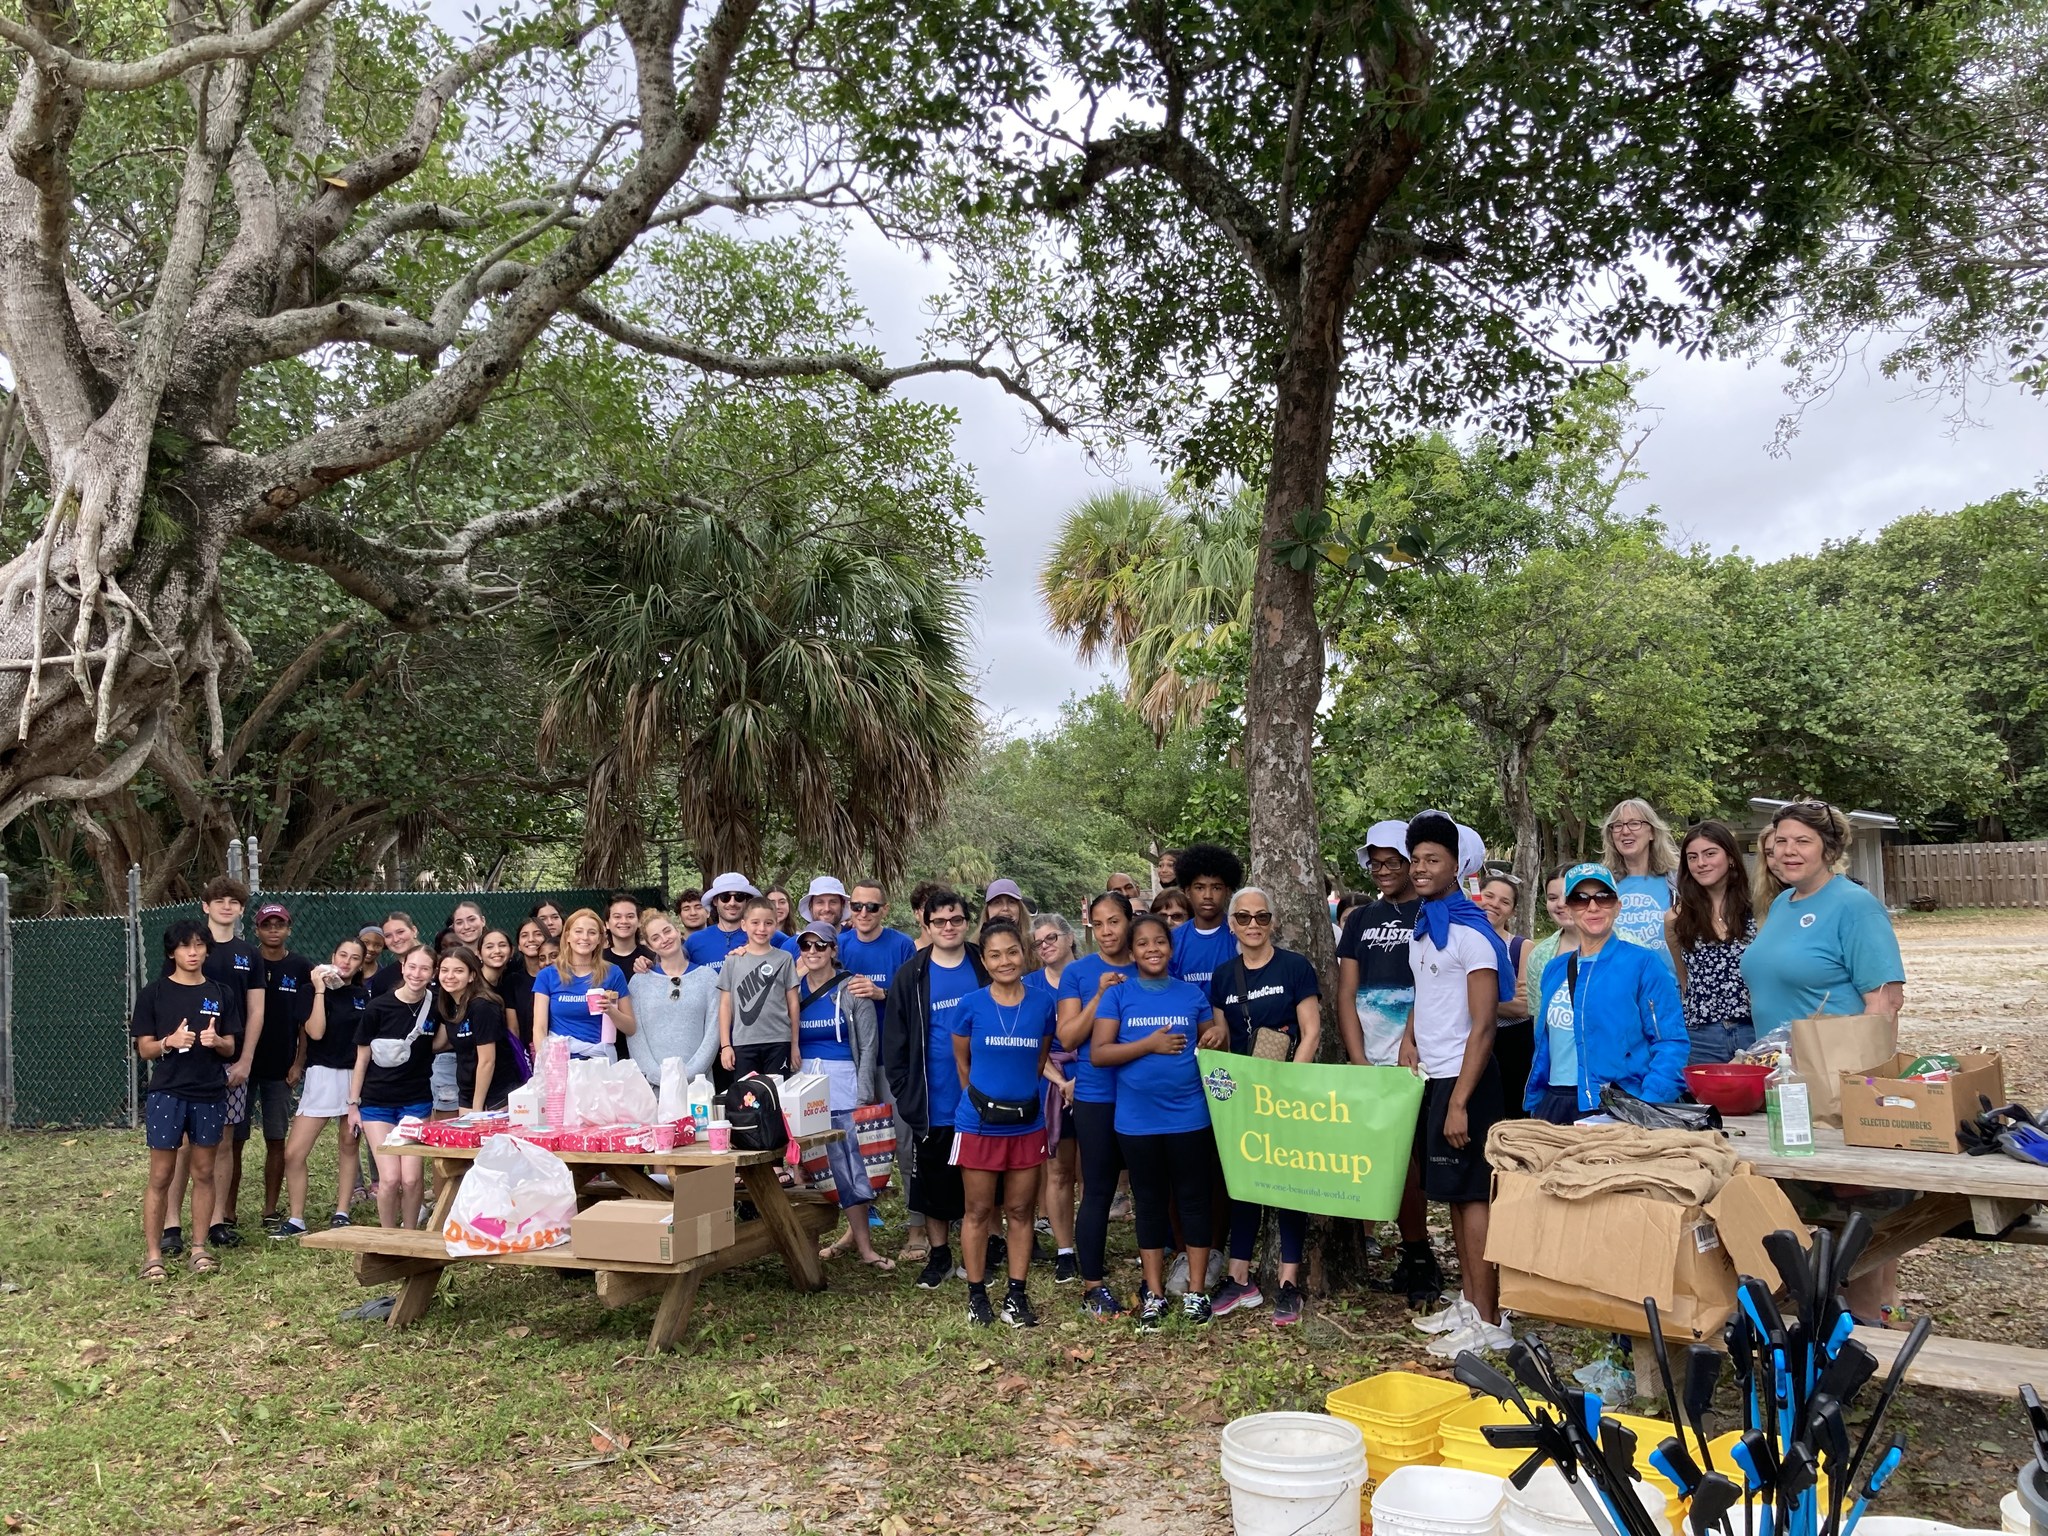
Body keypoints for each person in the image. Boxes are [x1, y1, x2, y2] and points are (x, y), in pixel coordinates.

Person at [1739, 799, 1908, 1325]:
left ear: (1830, 849)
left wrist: (1866, 1091)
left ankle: (1867, 1333)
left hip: (1835, 1082)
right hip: (1786, 1081)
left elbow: (1883, 1001)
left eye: (1802, 841)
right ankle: (1827, 1326)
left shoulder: (1854, 906)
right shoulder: (1785, 903)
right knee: (1810, 1212)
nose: (1787, 851)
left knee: (1854, 1215)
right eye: (1780, 841)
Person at [1400, 811, 1515, 1356]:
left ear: (1457, 867)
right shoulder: (1423, 928)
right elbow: (1425, 994)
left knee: (1475, 1200)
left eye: (1433, 861)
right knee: (1451, 1194)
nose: (1421, 869)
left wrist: (1461, 1102)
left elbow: (1485, 1023)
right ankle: (1470, 1304)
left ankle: (1492, 1321)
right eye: (1416, 860)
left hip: (1467, 1082)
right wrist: (1408, 1037)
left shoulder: (1472, 933)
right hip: (1435, 1075)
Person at [1081, 911, 1216, 1331]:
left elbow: (1211, 1040)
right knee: (1150, 1203)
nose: (1152, 949)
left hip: (1189, 1115)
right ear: (1132, 952)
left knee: (1193, 1200)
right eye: (1143, 944)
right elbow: (1100, 1053)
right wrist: (1149, 1045)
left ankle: (1196, 1291)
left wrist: (1215, 1034)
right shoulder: (1119, 994)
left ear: (1171, 949)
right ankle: (1154, 1293)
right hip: (1136, 1120)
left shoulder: (1192, 995)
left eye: (1160, 942)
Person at [1335, 823, 1444, 1306]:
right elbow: (1346, 991)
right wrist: (1357, 1057)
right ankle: (1403, 1248)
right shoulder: (1360, 919)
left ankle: (1422, 1256)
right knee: (1383, 1159)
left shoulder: (1431, 912)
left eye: (1391, 862)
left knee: (1416, 1161)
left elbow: (1434, 985)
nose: (1382, 871)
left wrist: (1411, 1039)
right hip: (1370, 1056)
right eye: (1374, 863)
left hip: (1418, 1055)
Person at [1206, 888, 1320, 1327]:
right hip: (1241, 1095)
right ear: (1231, 923)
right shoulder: (1223, 976)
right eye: (1244, 917)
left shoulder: (1294, 967)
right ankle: (1240, 1277)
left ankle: (1289, 1284)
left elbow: (1310, 1031)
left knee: (1288, 1180)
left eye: (1262, 916)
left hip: (1287, 1094)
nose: (1254, 924)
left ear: (1272, 921)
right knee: (1246, 1178)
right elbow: (1223, 1036)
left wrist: (1290, 1085)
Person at [882, 887, 991, 1291]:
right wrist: (905, 1092)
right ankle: (940, 1255)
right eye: (939, 921)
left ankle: (980, 1252)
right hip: (933, 1100)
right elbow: (895, 1039)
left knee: (981, 1182)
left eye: (956, 920)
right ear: (925, 925)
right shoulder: (912, 973)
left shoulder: (984, 963)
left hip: (984, 1096)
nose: (948, 927)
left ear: (966, 921)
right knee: (933, 1183)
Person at [949, 920, 1057, 1327]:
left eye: (1012, 951)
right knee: (977, 1210)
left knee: (1021, 1209)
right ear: (984, 958)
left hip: (1026, 1123)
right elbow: (963, 1063)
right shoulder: (971, 1005)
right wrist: (981, 1103)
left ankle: (1017, 1295)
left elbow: (1039, 1061)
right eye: (994, 954)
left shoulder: (1043, 1004)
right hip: (978, 1124)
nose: (1005, 961)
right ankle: (977, 1296)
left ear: (1023, 951)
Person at [1524, 864, 1689, 1122]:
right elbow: (1543, 1045)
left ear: (1617, 906)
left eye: (1604, 897)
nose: (1593, 907)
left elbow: (1670, 1042)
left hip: (1617, 1105)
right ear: (1568, 908)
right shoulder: (1554, 969)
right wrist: (1538, 1101)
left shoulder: (1643, 964)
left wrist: (1648, 1105)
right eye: (1580, 899)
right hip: (1556, 1104)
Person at [164, 877, 263, 1259]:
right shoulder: (186, 943)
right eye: (218, 900)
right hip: (187, 1063)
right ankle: (172, 1224)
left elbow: (256, 1011)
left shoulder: (248, 954)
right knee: (183, 1145)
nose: (226, 906)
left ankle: (216, 1221)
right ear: (205, 906)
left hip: (230, 1060)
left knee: (222, 1142)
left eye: (233, 901)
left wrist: (244, 1059)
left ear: (241, 909)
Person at [133, 921, 237, 1280]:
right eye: (185, 946)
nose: (192, 952)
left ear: (207, 950)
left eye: (198, 946)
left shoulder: (221, 992)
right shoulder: (154, 994)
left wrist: (217, 1042)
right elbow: (143, 1049)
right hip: (168, 1092)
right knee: (161, 1174)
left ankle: (198, 1248)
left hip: (209, 1091)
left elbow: (231, 1045)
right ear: (171, 952)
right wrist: (168, 1042)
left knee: (204, 1172)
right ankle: (152, 1255)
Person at [792, 920, 891, 1270]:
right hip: (804, 1082)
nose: (813, 952)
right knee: (808, 1163)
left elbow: (868, 1043)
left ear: (834, 950)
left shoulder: (852, 989)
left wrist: (865, 1093)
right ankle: (807, 1247)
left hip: (843, 1078)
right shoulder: (793, 988)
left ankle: (864, 1246)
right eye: (807, 946)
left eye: (821, 946)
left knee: (850, 1165)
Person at [1059, 890, 1136, 1317]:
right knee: (1098, 1188)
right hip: (1096, 1094)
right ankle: (1093, 1285)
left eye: (1115, 922)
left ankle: (1154, 1279)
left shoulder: (1149, 964)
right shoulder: (1079, 973)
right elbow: (1068, 1038)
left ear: (1129, 921)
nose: (1107, 931)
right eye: (1100, 923)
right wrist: (1100, 996)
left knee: (1150, 1187)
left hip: (1144, 1094)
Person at [277, 937, 369, 1239]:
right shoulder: (309, 991)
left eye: (355, 958)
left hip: (353, 1076)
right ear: (333, 955)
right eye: (343, 954)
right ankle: (297, 1218)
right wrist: (319, 989)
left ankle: (342, 1211)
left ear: (361, 964)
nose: (347, 962)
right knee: (294, 1152)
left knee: (348, 1144)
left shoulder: (362, 995)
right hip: (321, 1076)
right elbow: (315, 1032)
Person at [348, 945, 437, 1229]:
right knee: (389, 1178)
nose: (417, 973)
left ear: (433, 973)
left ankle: (408, 1237)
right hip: (377, 1103)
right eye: (412, 966)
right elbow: (362, 1058)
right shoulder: (379, 1007)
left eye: (424, 968)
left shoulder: (437, 1006)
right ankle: (387, 1238)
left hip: (416, 1101)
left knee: (412, 1179)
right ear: (402, 967)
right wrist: (353, 1106)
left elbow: (444, 1039)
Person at [1669, 820, 1759, 1065]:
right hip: (1701, 1036)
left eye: (1710, 853)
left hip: (1755, 1031)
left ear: (1730, 857)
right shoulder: (1676, 918)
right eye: (1693, 857)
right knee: (1708, 1104)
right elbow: (1685, 978)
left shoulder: (1760, 909)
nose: (1701, 863)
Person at [249, 903, 313, 1232]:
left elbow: (306, 1020)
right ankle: (225, 1213)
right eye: (267, 924)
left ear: (289, 928)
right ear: (256, 929)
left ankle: (270, 1208)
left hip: (281, 1067)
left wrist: (299, 1063)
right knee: (231, 1140)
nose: (273, 930)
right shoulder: (246, 961)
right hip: (242, 1067)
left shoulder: (301, 966)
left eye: (280, 924)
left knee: (276, 1139)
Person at [1030, 914, 1082, 1284]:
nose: (1045, 945)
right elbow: (1031, 1044)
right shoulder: (1029, 986)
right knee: (1059, 1170)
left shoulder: (1094, 974)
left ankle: (1092, 1242)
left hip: (1094, 1078)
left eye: (1051, 937)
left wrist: (1083, 1078)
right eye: (1038, 942)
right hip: (1051, 1082)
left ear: (1070, 938)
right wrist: (1061, 1081)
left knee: (1095, 1172)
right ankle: (1065, 1250)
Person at [625, 909, 720, 1088]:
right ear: (650, 946)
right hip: (653, 1085)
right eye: (656, 937)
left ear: (677, 931)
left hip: (698, 1084)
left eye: (667, 931)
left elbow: (713, 1032)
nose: (664, 938)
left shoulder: (708, 978)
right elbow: (635, 1034)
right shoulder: (639, 982)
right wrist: (656, 1076)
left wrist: (690, 1074)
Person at [531, 908, 636, 1062]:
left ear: (600, 939)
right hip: (560, 1061)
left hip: (598, 1061)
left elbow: (630, 1028)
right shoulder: (547, 975)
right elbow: (539, 1028)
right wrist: (545, 1064)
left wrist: (611, 1011)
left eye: (592, 932)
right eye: (578, 931)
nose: (584, 938)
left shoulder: (613, 973)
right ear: (567, 936)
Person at [717, 897, 803, 1077]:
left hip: (779, 1041)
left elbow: (793, 1004)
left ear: (776, 924)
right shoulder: (733, 960)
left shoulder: (785, 958)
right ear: (744, 924)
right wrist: (726, 1045)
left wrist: (794, 1044)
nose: (762, 929)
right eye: (755, 922)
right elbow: (725, 1005)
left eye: (768, 923)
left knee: (778, 1098)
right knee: (749, 1099)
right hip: (744, 1043)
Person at [1474, 874, 1534, 1118]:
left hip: (1513, 1044)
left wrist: (1471, 999)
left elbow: (1522, 1007)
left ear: (1512, 912)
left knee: (1513, 1117)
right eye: (1489, 896)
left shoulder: (1521, 947)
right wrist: (1501, 1000)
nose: (1494, 904)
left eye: (1504, 901)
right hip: (1471, 1042)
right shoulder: (1457, 941)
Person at [434, 946, 520, 1114]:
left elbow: (487, 1061)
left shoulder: (483, 1006)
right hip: (467, 1090)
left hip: (494, 1094)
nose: (449, 976)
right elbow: (440, 1044)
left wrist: (477, 1108)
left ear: (472, 975)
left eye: (458, 971)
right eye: (444, 970)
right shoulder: (450, 1005)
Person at [1601, 798, 1681, 969]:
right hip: (1620, 989)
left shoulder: (1677, 882)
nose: (1625, 831)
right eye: (1617, 826)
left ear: (1652, 832)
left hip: (1670, 989)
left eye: (1634, 823)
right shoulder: (1603, 885)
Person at [688, 871, 799, 971]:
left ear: (747, 901)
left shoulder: (771, 936)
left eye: (739, 897)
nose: (732, 903)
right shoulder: (694, 941)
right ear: (715, 901)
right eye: (725, 897)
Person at [1168, 841, 1242, 989]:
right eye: (1200, 887)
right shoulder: (1172, 941)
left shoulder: (1241, 936)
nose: (1207, 895)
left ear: (1227, 891)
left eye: (1216, 888)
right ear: (1187, 891)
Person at [480, 928, 536, 1048]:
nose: (497, 951)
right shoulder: (473, 986)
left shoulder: (506, 982)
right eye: (489, 947)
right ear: (479, 953)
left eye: (502, 945)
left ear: (512, 951)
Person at [367, 911, 422, 997]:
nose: (395, 939)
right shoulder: (382, 979)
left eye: (400, 932)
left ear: (414, 931)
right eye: (388, 936)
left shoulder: (441, 966)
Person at [602, 891, 657, 975]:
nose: (624, 921)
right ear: (607, 924)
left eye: (630, 916)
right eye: (617, 917)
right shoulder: (598, 959)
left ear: (639, 921)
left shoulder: (651, 958)